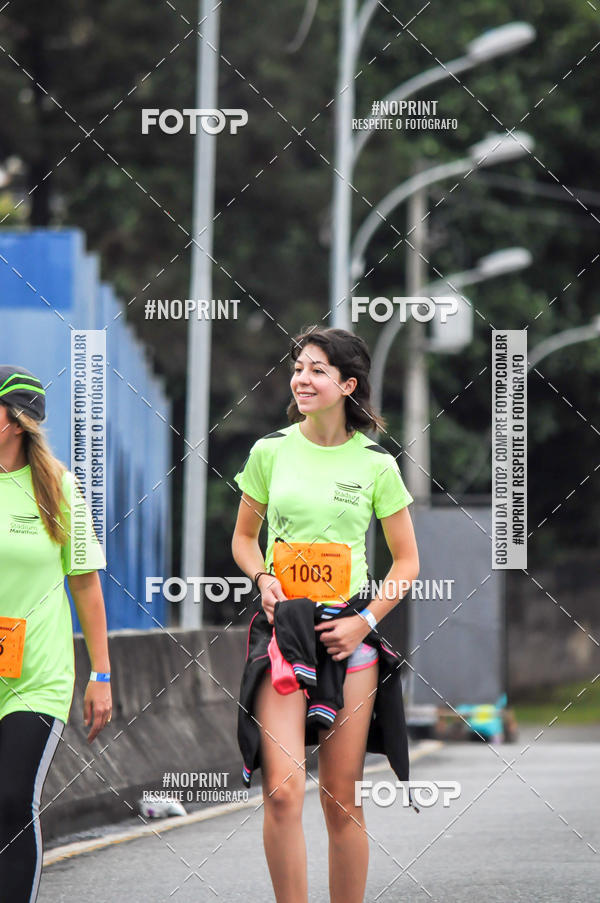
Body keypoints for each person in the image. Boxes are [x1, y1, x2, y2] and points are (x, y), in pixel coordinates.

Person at [231, 327, 420, 903]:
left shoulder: (376, 464)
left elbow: (407, 562)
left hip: (349, 636)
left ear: (347, 385)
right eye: (298, 368)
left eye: (317, 370)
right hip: (284, 633)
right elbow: (243, 539)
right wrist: (262, 578)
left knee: (341, 799)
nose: (302, 379)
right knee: (282, 791)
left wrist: (365, 622)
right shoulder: (270, 451)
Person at [0, 365, 111, 903]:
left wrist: (101, 674)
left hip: (36, 676)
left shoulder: (58, 488)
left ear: (13, 419)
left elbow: (85, 582)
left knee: (11, 799)